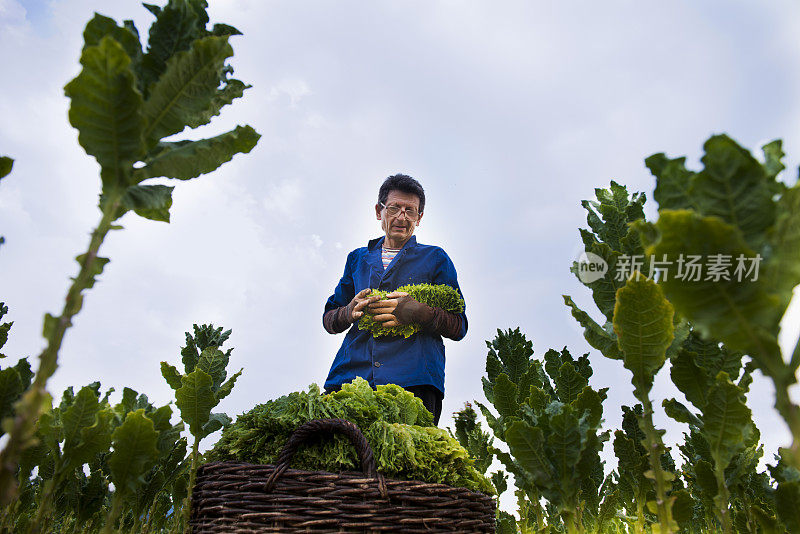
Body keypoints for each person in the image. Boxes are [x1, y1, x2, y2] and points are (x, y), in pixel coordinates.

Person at [322, 174, 467, 425]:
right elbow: (329, 320)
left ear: (419, 218)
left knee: (403, 460)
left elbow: (459, 326)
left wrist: (416, 312)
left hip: (414, 380)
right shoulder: (357, 259)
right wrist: (349, 311)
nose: (402, 217)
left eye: (411, 210)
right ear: (379, 212)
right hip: (351, 377)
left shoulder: (435, 259)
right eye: (394, 208)